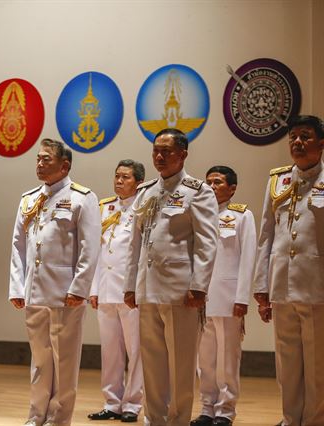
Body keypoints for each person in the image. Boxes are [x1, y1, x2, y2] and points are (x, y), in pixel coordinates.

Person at [123, 128, 218, 426]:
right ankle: (155, 419)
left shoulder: (198, 191)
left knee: (181, 364)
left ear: (183, 154)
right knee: (151, 363)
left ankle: (178, 420)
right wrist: (130, 286)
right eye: (156, 151)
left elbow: (207, 241)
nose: (160, 157)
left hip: (180, 292)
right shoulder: (147, 191)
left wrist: (199, 286)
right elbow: (135, 244)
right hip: (148, 289)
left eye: (166, 151)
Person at [9, 138, 101, 426]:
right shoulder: (28, 199)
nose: (39, 163)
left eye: (46, 159)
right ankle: (36, 416)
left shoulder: (82, 198)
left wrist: (79, 288)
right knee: (39, 361)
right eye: (38, 158)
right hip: (34, 291)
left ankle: (58, 419)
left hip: (65, 293)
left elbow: (90, 247)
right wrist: (17, 286)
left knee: (64, 362)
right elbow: (18, 246)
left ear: (65, 165)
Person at [253, 115, 324, 426]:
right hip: (282, 284)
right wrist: (261, 284)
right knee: (288, 360)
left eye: (305, 136)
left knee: (318, 362)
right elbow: (266, 235)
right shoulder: (278, 180)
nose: (297, 142)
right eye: (293, 136)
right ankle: (290, 418)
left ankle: (314, 419)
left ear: (321, 144)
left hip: (317, 286)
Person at [191, 166, 256, 426]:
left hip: (229, 298)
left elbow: (248, 257)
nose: (212, 186)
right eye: (208, 182)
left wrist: (242, 297)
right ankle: (207, 408)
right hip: (201, 299)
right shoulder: (198, 215)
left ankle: (226, 411)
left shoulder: (242, 216)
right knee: (204, 360)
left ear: (232, 188)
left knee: (228, 359)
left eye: (217, 182)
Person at [88, 160, 145, 423]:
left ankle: (133, 404)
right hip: (107, 289)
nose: (119, 181)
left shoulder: (145, 206)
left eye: (126, 177)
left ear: (139, 182)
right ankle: (112, 402)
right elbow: (97, 252)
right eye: (117, 176)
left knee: (137, 351)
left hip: (131, 291)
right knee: (110, 351)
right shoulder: (105, 207)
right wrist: (94, 287)